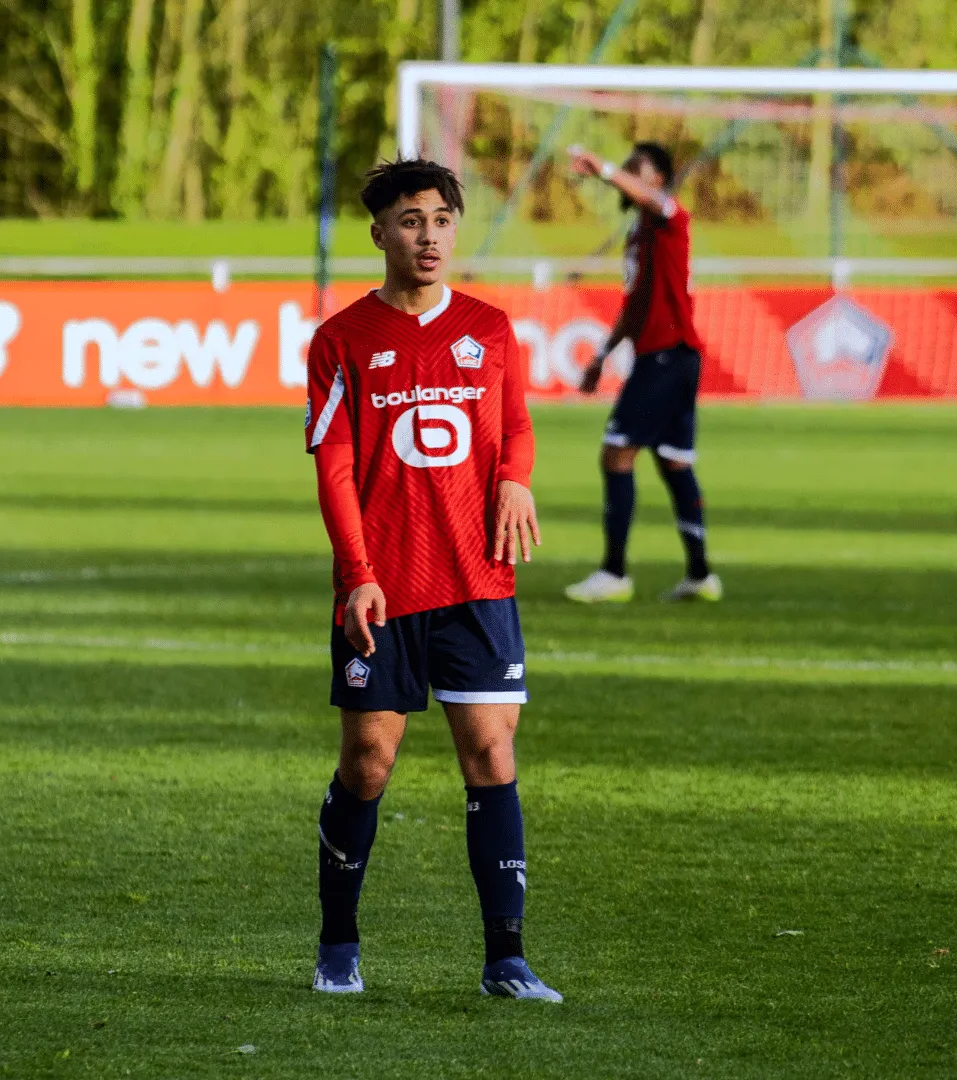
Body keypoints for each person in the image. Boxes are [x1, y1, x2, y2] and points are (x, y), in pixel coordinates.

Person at [303, 158, 561, 1001]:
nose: (429, 236)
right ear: (379, 232)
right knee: (369, 764)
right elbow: (336, 467)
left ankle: (506, 959)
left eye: (443, 220)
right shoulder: (341, 339)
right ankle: (338, 941)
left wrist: (516, 476)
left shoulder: (489, 329)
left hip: (480, 581)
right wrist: (357, 576)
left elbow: (515, 426)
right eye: (411, 221)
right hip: (384, 588)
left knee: (492, 753)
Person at [561, 142, 721, 605]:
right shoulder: (641, 234)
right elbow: (636, 305)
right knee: (674, 461)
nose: (627, 174)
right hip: (668, 355)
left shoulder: (670, 218)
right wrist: (601, 355)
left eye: (637, 167)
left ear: (660, 179)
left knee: (616, 454)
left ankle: (614, 573)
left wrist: (605, 167)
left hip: (669, 355)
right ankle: (700, 574)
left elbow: (659, 201)